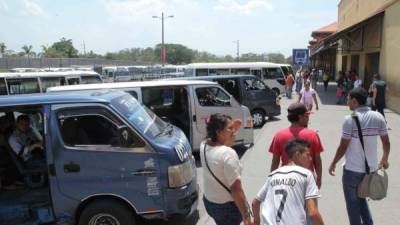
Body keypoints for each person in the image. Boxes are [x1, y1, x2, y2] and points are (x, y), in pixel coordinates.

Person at [328, 87, 390, 225]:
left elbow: (343, 147)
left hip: (352, 171)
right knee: (361, 199)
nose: (347, 102)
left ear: (355, 101)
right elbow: (386, 142)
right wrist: (384, 159)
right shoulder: (378, 116)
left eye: (348, 99)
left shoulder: (349, 120)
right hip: (371, 170)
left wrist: (333, 163)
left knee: (352, 205)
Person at [253, 139, 325, 225]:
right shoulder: (306, 174)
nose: (310, 159)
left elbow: (255, 202)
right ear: (297, 154)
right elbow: (313, 212)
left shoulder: (273, 175)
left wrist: (256, 222)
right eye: (308, 155)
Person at [200, 113, 252, 225]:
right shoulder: (228, 154)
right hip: (226, 209)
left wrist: (231, 130)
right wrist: (246, 216)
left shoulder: (203, 145)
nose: (234, 131)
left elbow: (222, 146)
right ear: (218, 132)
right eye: (230, 128)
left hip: (210, 202)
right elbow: (236, 189)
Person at [269, 103, 323, 189]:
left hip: (286, 179)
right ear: (300, 117)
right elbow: (318, 162)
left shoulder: (279, 135)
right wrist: (319, 179)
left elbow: (275, 161)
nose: (308, 118)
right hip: (307, 179)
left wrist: (271, 179)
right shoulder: (312, 135)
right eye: (306, 116)